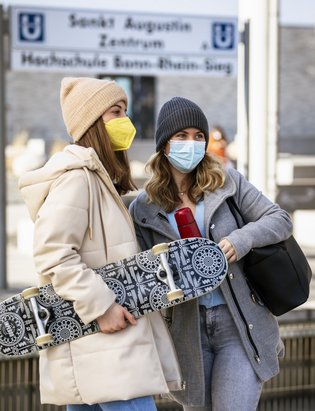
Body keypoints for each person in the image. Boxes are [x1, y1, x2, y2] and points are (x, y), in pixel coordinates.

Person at [18, 78, 182, 411]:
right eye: (116, 112)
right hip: (108, 344)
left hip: (98, 349)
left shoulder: (95, 179)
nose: (125, 121)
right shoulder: (77, 179)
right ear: (91, 122)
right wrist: (102, 307)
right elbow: (53, 255)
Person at [129, 97, 293, 411]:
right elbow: (142, 273)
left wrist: (240, 240)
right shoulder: (144, 207)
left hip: (239, 324)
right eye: (181, 136)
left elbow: (279, 220)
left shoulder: (228, 183)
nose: (191, 143)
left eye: (198, 136)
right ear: (164, 144)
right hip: (187, 331)